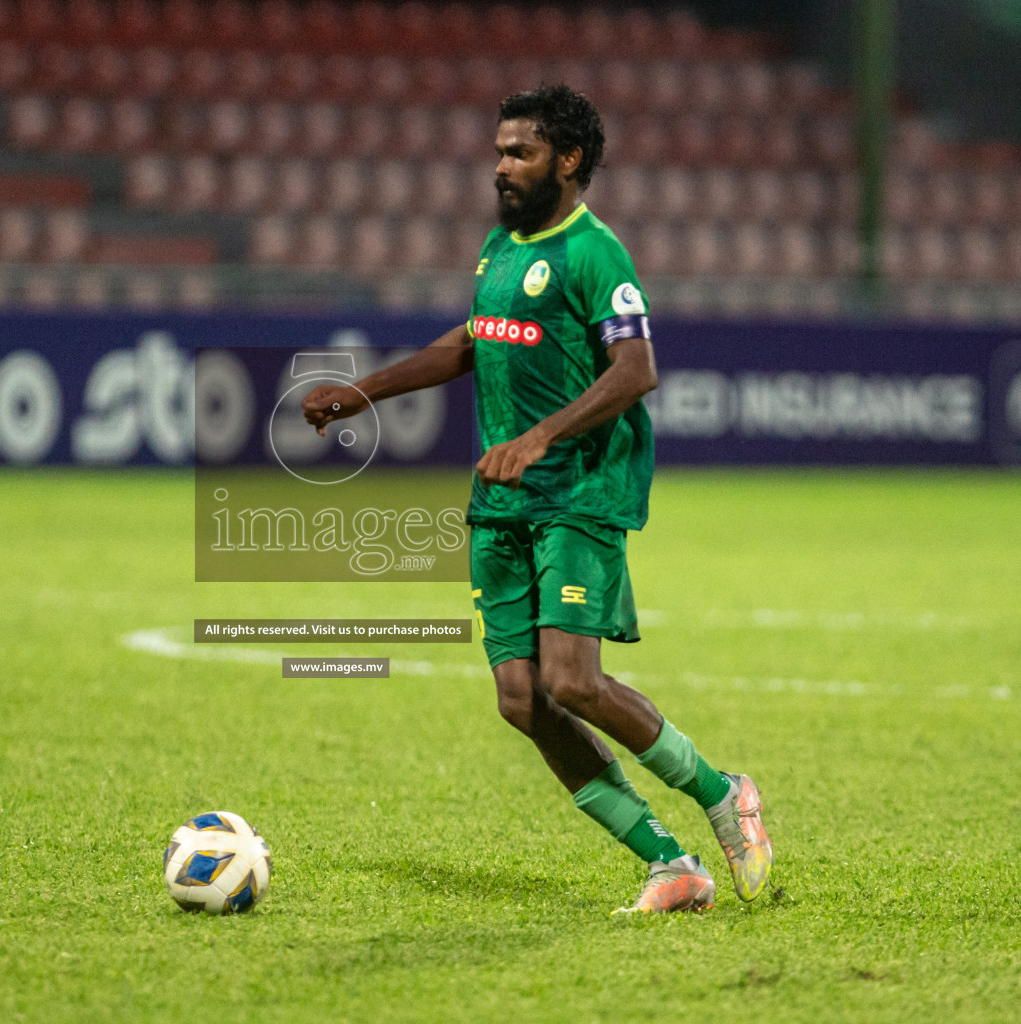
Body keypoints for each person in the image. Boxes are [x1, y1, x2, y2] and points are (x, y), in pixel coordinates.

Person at [302, 85, 771, 914]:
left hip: (577, 492)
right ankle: (671, 863)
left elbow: (637, 371)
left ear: (569, 160)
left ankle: (722, 790)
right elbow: (472, 339)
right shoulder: (500, 249)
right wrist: (367, 391)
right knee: (522, 700)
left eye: (518, 153)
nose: (501, 168)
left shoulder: (596, 254)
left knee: (574, 681)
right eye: (497, 153)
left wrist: (540, 437)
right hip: (503, 504)